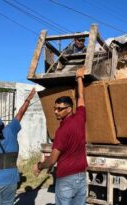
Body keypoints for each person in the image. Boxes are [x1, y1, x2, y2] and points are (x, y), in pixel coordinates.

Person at [33, 67, 87, 205]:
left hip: (66, 179)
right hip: (81, 177)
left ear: (69, 109)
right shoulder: (80, 118)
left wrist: (39, 166)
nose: (56, 112)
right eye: (55, 108)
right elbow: (81, 97)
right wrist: (79, 78)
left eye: (60, 109)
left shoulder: (62, 131)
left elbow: (52, 160)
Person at [0, 88, 36, 205]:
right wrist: (27, 100)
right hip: (10, 179)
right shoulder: (11, 130)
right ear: (3, 124)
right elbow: (20, 113)